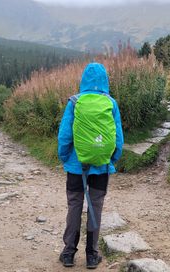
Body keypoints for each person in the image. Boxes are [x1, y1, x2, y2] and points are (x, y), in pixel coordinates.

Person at [58, 62, 124, 269]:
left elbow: (65, 136)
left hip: (76, 167)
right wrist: (111, 160)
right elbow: (118, 138)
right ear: (105, 80)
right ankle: (91, 256)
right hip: (101, 167)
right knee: (96, 207)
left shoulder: (74, 102)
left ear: (84, 80)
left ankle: (69, 253)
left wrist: (66, 158)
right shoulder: (111, 103)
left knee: (74, 206)